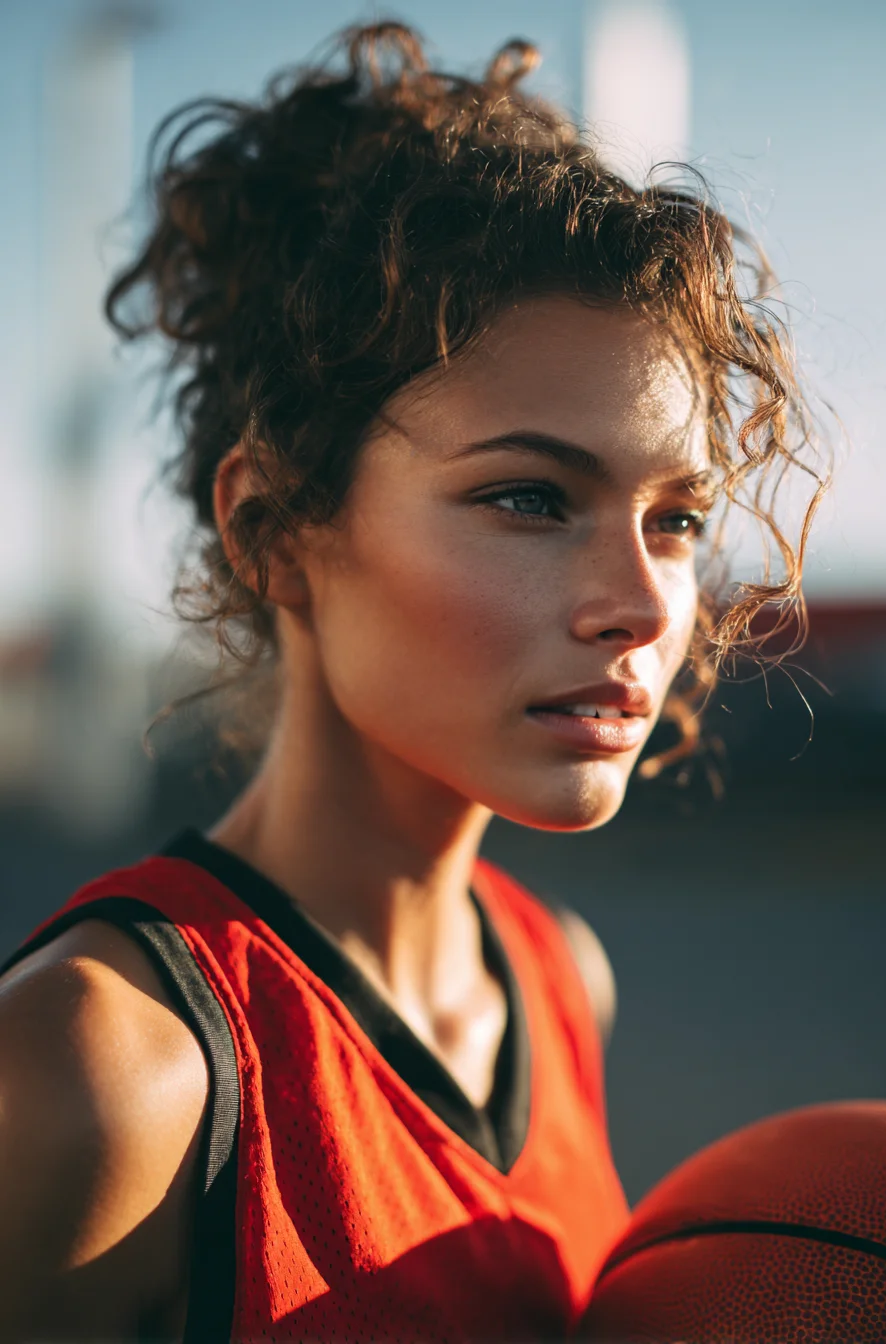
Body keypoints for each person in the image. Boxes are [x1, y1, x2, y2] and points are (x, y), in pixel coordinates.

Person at [0, 20, 824, 1343]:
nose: (643, 600)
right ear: (274, 530)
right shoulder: (102, 1072)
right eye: (529, 497)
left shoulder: (562, 977)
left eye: (674, 515)